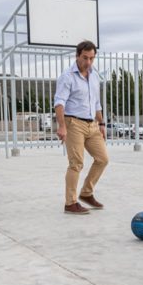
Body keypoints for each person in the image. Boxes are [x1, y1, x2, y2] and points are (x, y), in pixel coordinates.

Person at [54, 40, 108, 215]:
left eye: (92, 58)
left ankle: (86, 192)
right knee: (76, 163)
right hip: (73, 123)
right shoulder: (67, 76)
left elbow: (97, 103)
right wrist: (62, 126)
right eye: (85, 58)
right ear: (77, 56)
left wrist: (101, 124)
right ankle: (70, 203)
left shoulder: (94, 76)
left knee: (103, 159)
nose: (88, 62)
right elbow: (59, 103)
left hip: (92, 124)